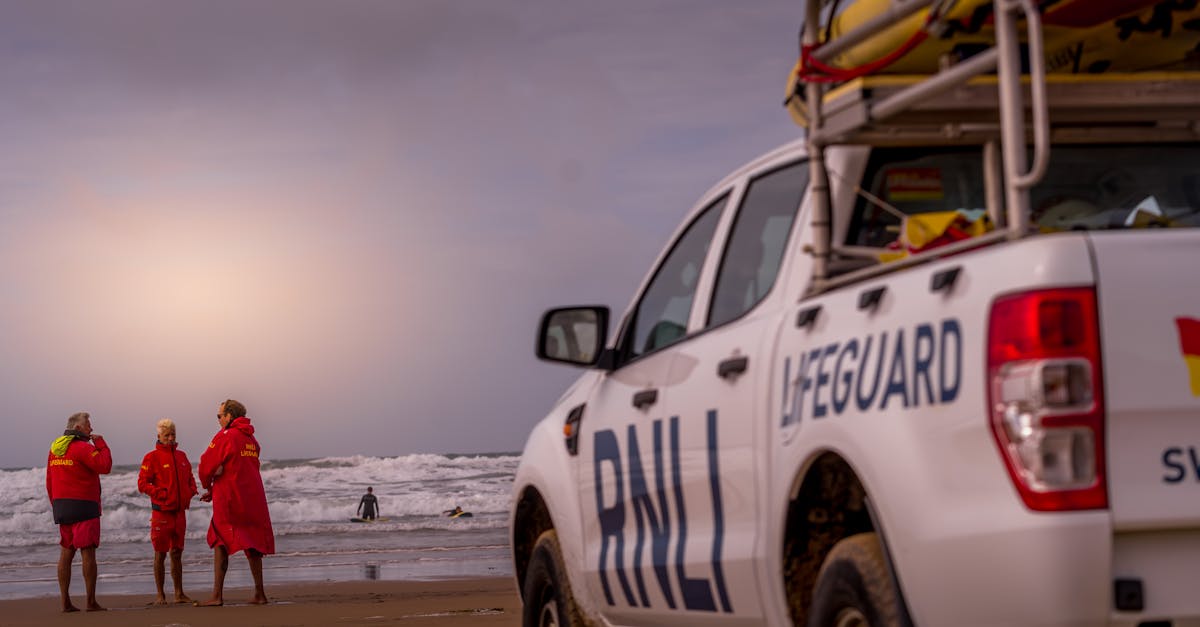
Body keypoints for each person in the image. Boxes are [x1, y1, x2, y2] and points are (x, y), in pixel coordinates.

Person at [197, 399, 275, 606]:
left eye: (219, 416)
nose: (218, 420)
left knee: (219, 538)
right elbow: (244, 465)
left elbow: (206, 465)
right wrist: (215, 486)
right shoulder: (251, 439)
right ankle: (260, 594)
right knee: (253, 541)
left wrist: (208, 485)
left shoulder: (225, 436)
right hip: (253, 497)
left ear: (229, 416)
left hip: (231, 497)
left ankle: (216, 596)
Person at [45, 411, 112, 613]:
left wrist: (55, 504)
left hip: (62, 505)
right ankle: (91, 602)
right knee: (87, 552)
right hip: (84, 506)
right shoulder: (82, 448)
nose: (91, 428)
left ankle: (65, 602)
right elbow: (105, 466)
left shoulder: (55, 449)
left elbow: (49, 481)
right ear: (77, 428)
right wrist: (101, 444)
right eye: (88, 425)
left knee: (66, 552)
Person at [137, 418, 199, 605]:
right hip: (161, 513)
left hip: (179, 513)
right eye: (167, 435)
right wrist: (160, 494)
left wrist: (191, 491)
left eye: (173, 435)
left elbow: (189, 477)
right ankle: (160, 595)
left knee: (177, 553)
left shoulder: (182, 456)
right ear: (159, 437)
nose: (171, 438)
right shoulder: (151, 457)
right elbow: (142, 483)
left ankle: (179, 593)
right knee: (160, 554)